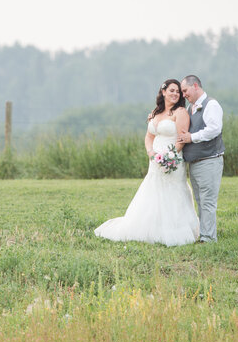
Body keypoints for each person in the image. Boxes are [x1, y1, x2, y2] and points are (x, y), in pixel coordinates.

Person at [94, 79, 199, 246]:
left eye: (178, 92)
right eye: (171, 90)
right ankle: (151, 227)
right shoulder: (156, 113)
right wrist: (151, 153)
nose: (175, 94)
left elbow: (181, 139)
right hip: (155, 161)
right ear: (163, 92)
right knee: (154, 191)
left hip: (172, 159)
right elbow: (149, 136)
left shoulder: (180, 112)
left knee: (173, 192)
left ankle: (175, 230)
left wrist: (170, 156)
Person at [178, 75, 224, 243]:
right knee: (200, 200)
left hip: (209, 160)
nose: (184, 95)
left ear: (195, 86)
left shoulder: (211, 105)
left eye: (185, 90)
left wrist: (192, 137)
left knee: (208, 201)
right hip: (195, 163)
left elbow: (214, 129)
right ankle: (204, 234)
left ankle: (209, 238)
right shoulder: (191, 107)